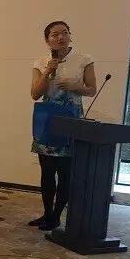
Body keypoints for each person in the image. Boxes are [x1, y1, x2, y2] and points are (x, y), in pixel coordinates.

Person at [29, 20, 96, 231]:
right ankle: (47, 214)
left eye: (64, 33)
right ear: (47, 40)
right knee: (47, 172)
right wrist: (47, 71)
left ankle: (56, 216)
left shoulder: (84, 59)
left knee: (65, 173)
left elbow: (92, 89)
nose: (60, 37)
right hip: (48, 121)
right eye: (55, 34)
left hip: (71, 121)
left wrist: (77, 86)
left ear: (70, 35)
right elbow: (35, 94)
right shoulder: (41, 62)